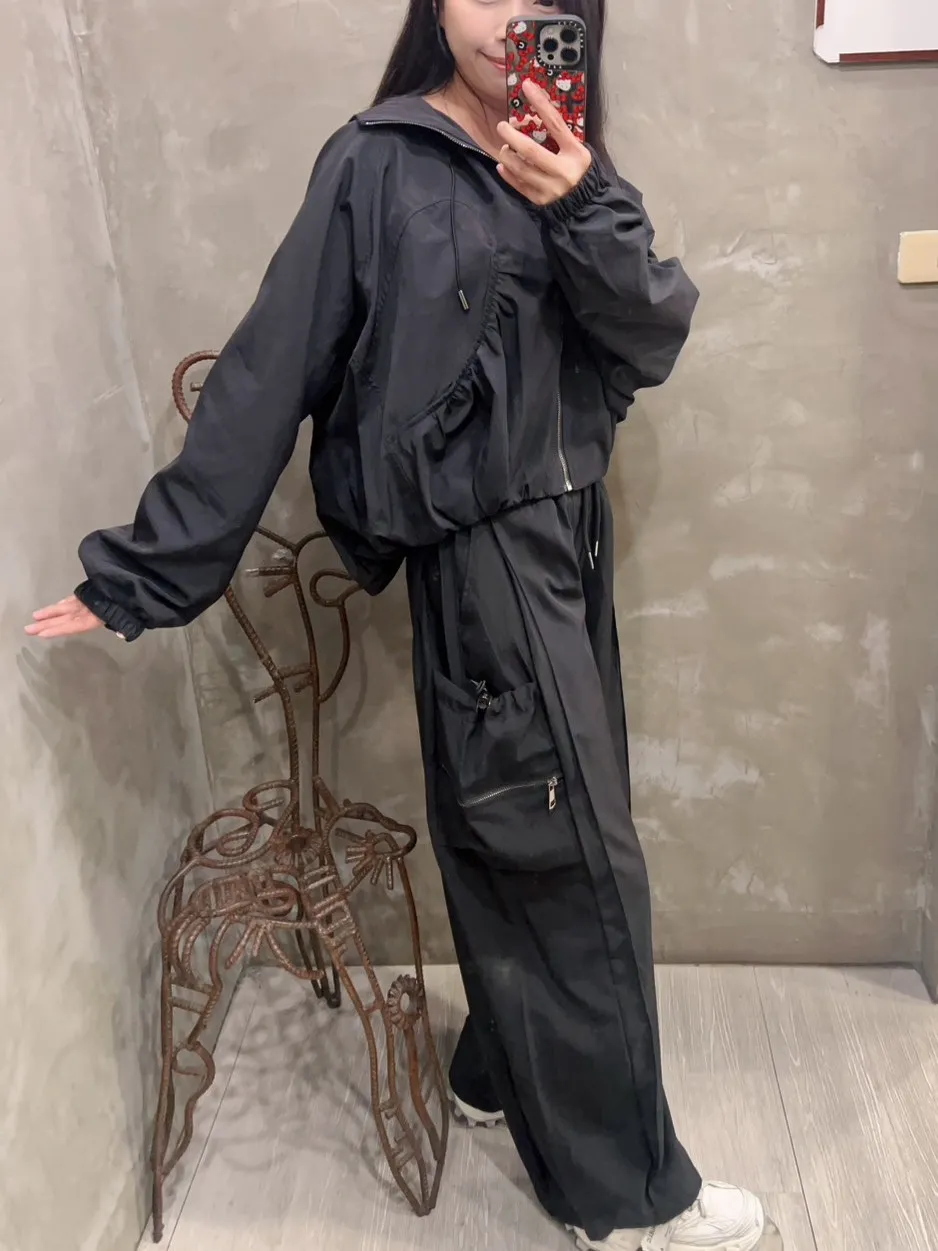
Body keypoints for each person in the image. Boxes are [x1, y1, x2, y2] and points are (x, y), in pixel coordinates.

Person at [27, 2, 776, 1249]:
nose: (510, 17)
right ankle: (624, 1198)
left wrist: (581, 201)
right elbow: (271, 366)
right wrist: (146, 575)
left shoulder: (562, 152)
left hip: (567, 540)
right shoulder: (376, 163)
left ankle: (496, 1072)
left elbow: (646, 337)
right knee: (567, 859)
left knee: (524, 829)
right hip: (487, 559)